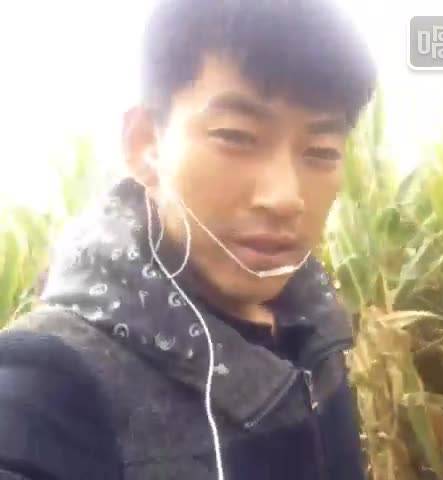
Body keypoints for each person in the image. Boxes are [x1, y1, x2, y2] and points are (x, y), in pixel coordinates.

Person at [0, 0, 376, 478]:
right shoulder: (50, 384)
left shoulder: (317, 329)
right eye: (236, 136)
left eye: (321, 152)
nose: (285, 198)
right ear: (145, 144)